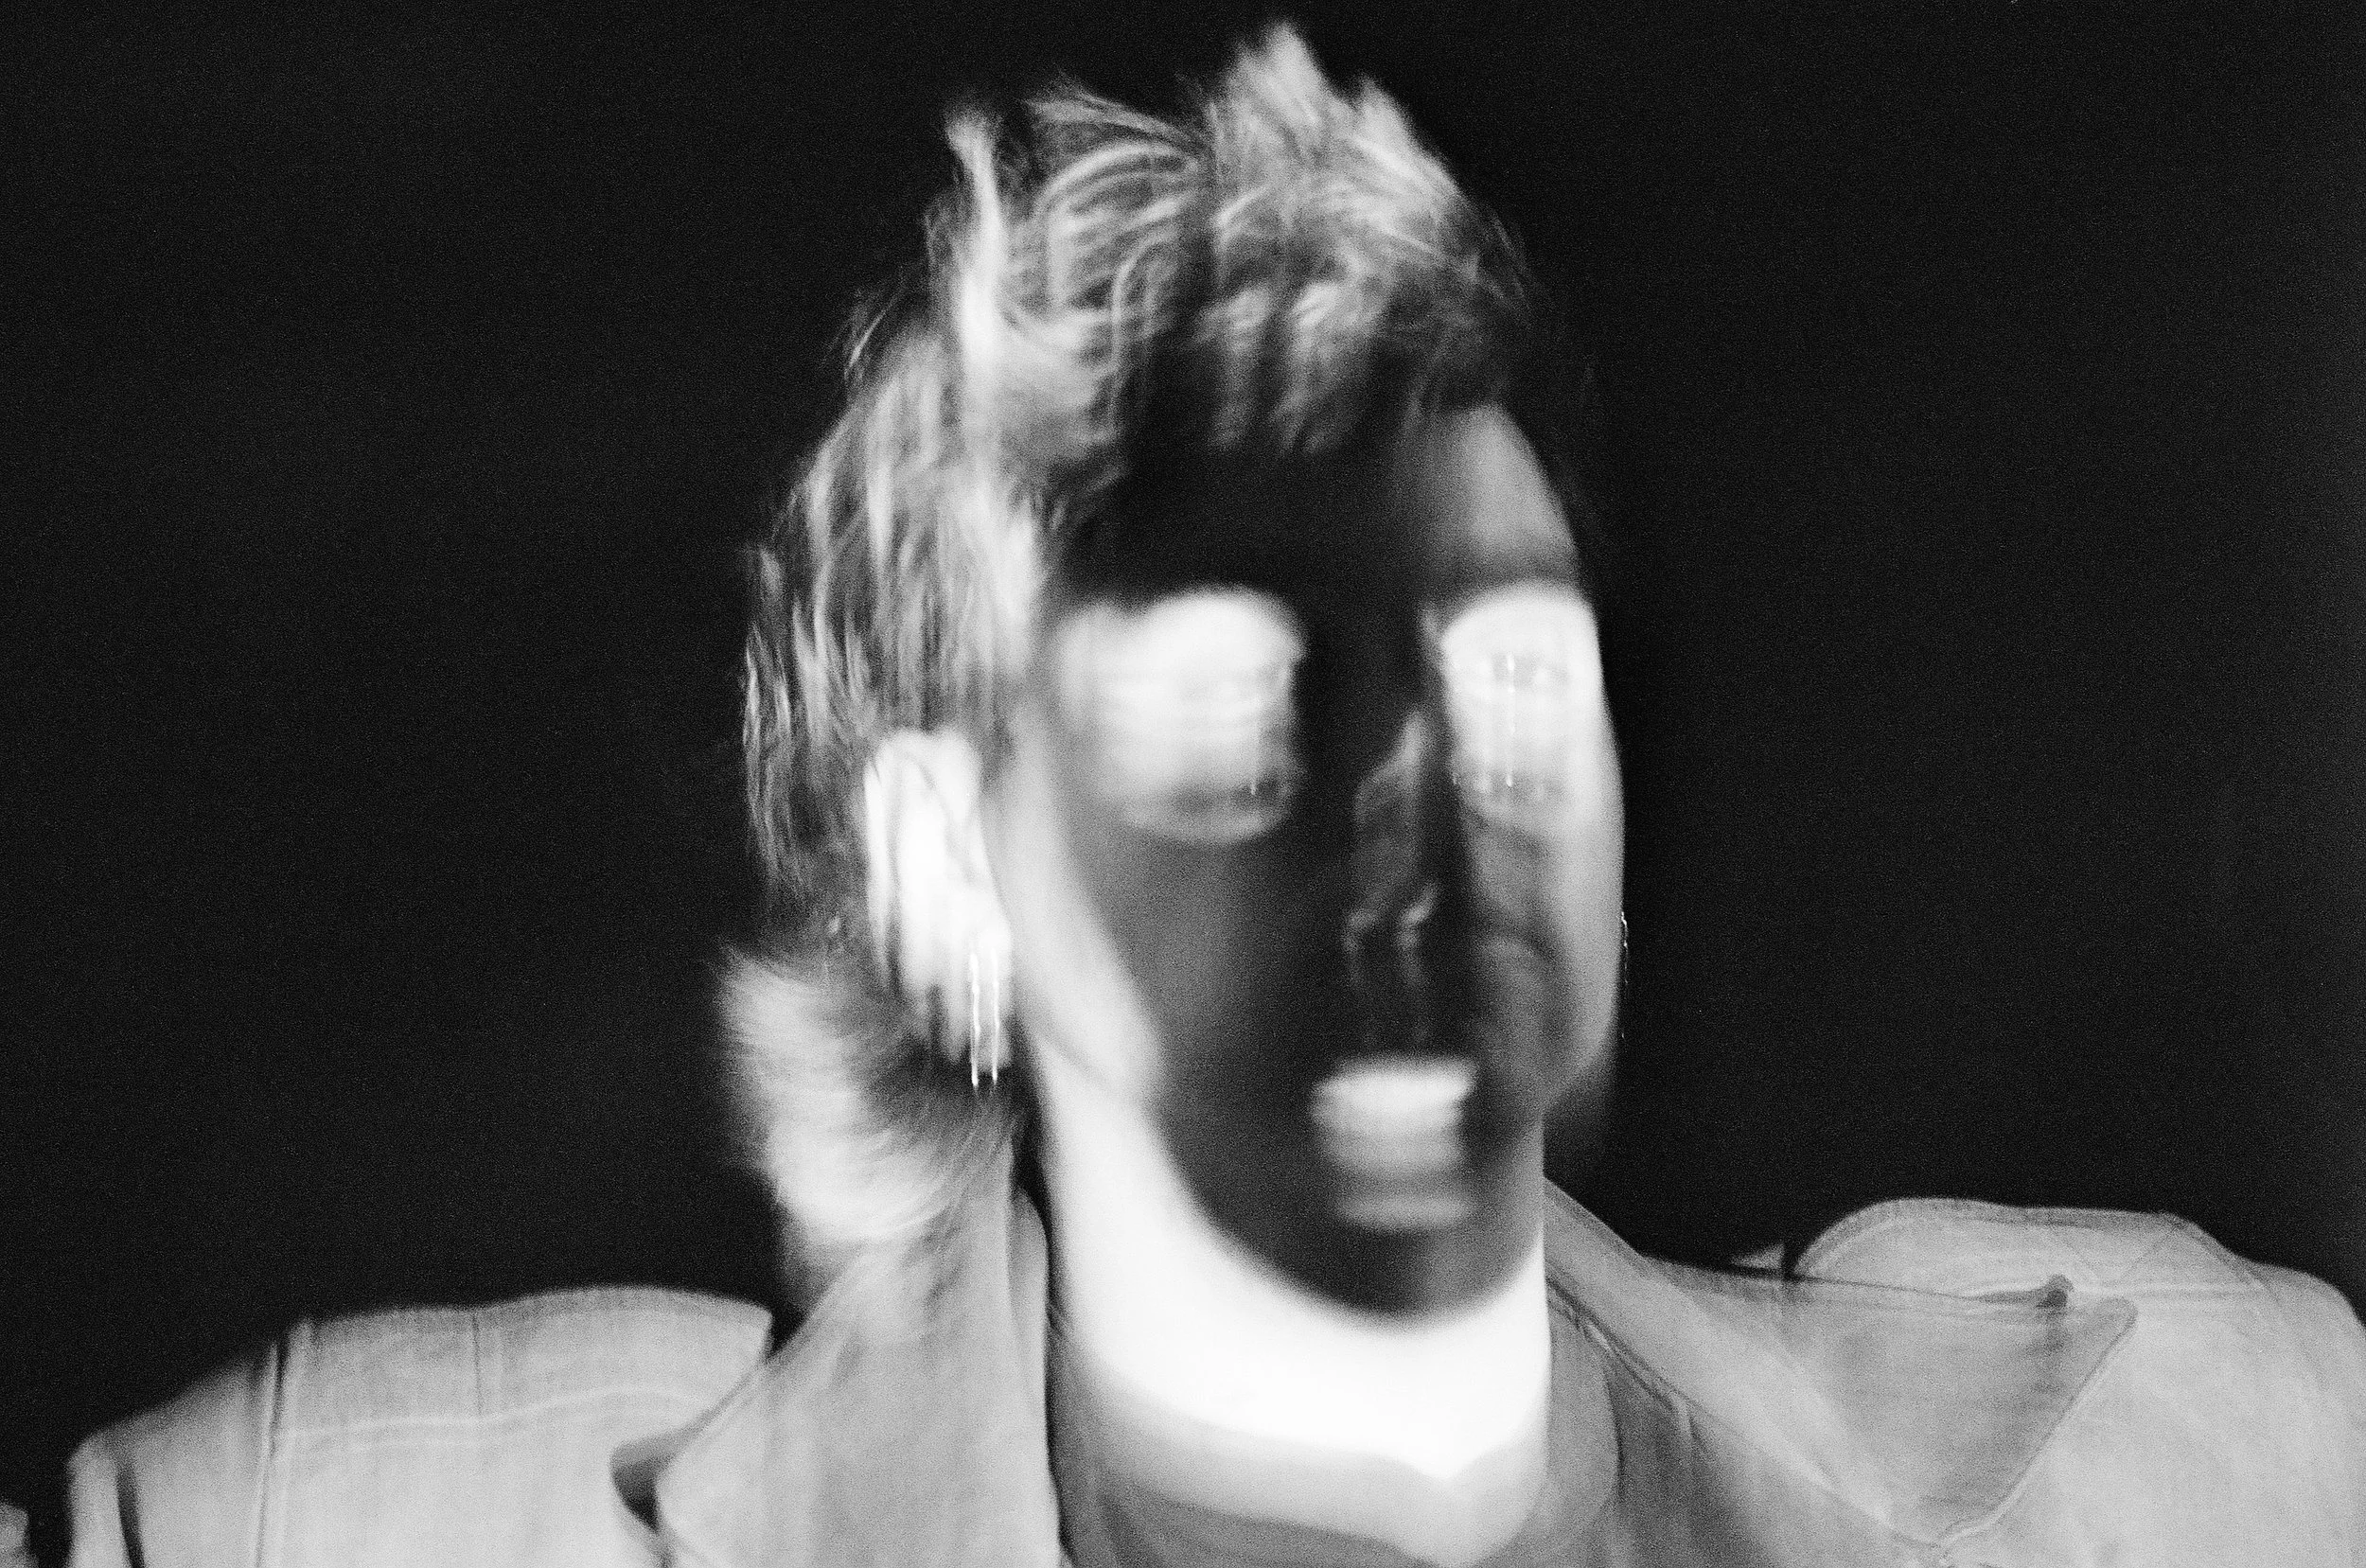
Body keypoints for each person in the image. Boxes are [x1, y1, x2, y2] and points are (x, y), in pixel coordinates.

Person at [56, 26, 2366, 1568]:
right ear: (948, 870)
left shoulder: (2216, 1459)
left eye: (1511, 676)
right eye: (1242, 705)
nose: (1427, 823)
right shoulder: (347, 1528)